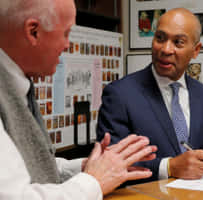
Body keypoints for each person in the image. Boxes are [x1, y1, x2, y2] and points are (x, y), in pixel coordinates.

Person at [0, 0, 157, 200]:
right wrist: (94, 181)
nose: (68, 45)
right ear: (33, 32)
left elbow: (22, 167)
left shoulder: (18, 84)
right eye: (66, 33)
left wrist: (90, 168)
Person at [97, 8, 203, 182]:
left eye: (178, 42)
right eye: (160, 38)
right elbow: (110, 162)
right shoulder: (120, 94)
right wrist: (169, 167)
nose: (165, 49)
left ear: (195, 50)